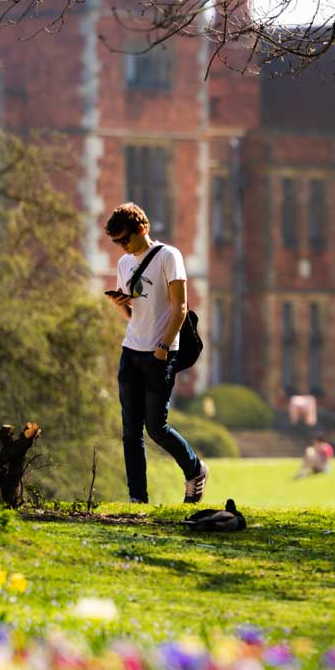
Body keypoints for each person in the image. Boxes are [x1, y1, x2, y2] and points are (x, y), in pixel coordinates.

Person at [103, 203, 209, 504]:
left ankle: (195, 469)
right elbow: (135, 312)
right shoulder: (125, 263)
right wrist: (122, 304)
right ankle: (138, 499)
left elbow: (180, 307)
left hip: (160, 353)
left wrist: (163, 348)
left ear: (142, 229)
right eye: (117, 242)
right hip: (130, 351)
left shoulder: (169, 257)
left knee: (156, 428)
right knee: (130, 431)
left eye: (125, 239)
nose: (123, 246)